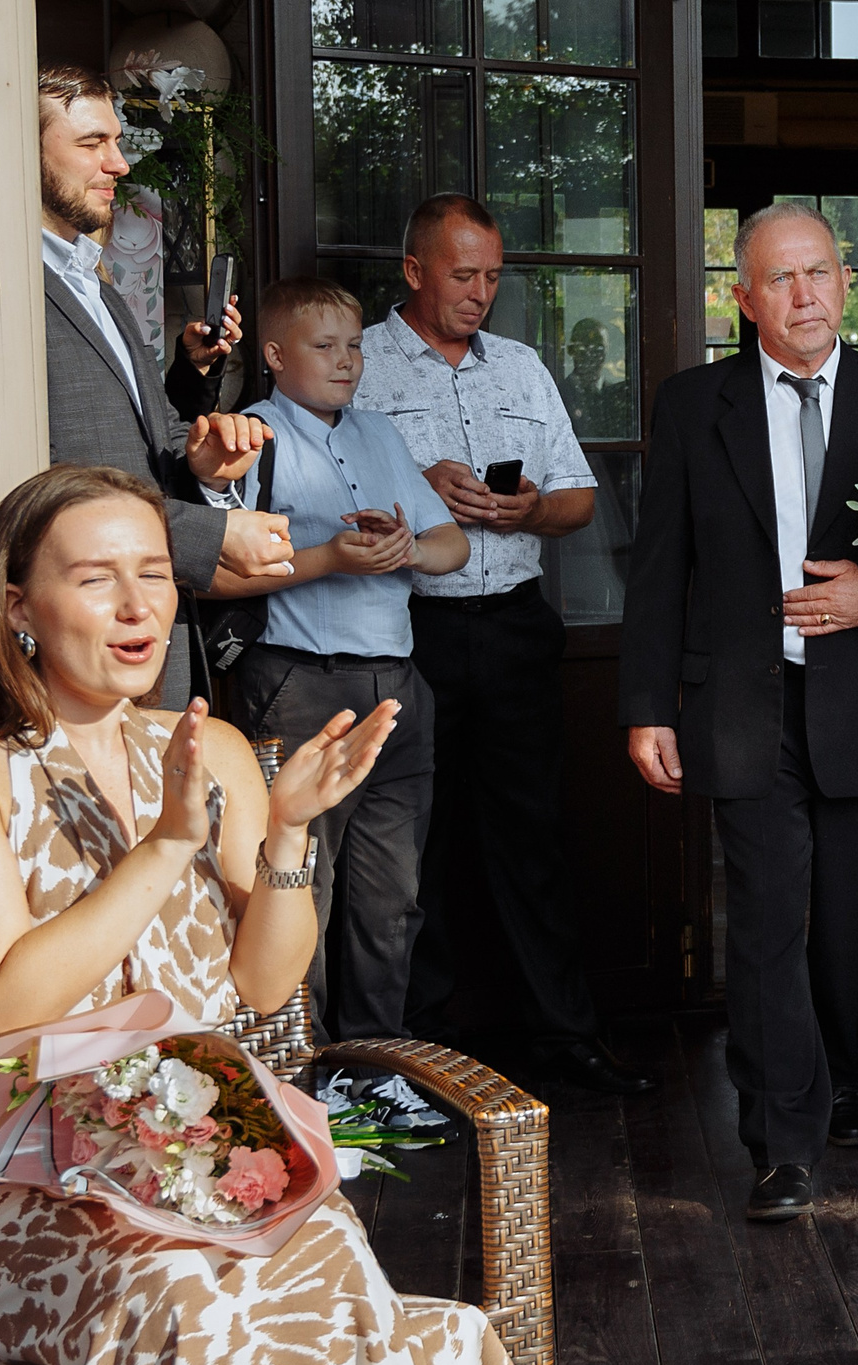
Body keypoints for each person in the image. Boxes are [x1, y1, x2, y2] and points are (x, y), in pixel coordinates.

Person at [0, 464, 570, 1365]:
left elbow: (259, 987)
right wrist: (163, 850)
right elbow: (2, 1002)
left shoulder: (206, 751)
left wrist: (292, 835)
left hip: (218, 1141)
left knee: (327, 1290)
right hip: (40, 1167)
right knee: (211, 1316)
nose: (138, 602)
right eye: (98, 577)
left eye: (155, 571)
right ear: (20, 602)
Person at [618, 202, 858, 1221]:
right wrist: (647, 704)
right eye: (778, 279)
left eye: (818, 272)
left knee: (855, 932)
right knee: (768, 929)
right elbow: (658, 570)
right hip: (743, 707)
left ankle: (852, 1088)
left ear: (845, 280)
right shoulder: (696, 405)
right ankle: (780, 1141)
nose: (804, 295)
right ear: (742, 299)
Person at [354, 193, 649, 1096]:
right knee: (413, 853)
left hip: (516, 627)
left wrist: (529, 509)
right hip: (409, 630)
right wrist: (411, 482)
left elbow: (578, 496)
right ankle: (424, 1057)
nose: (481, 292)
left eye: (492, 276)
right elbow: (316, 494)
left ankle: (564, 1038)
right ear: (414, 271)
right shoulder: (356, 365)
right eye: (462, 274)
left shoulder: (519, 368)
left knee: (533, 841)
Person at [208, 277, 469, 1041]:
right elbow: (220, 569)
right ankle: (306, 1077)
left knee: (393, 897)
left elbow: (450, 543)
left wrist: (407, 549)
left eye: (354, 345)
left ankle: (377, 1066)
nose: (346, 361)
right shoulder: (248, 437)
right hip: (298, 685)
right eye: (325, 347)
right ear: (276, 354)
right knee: (301, 889)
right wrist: (333, 559)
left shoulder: (382, 434)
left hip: (397, 685)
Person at [36, 65, 291, 708]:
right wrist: (215, 534)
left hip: (150, 637)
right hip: (70, 643)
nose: (118, 164)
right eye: (92, 143)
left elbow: (139, 439)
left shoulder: (94, 282)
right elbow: (39, 477)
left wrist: (205, 464)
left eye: (117, 142)